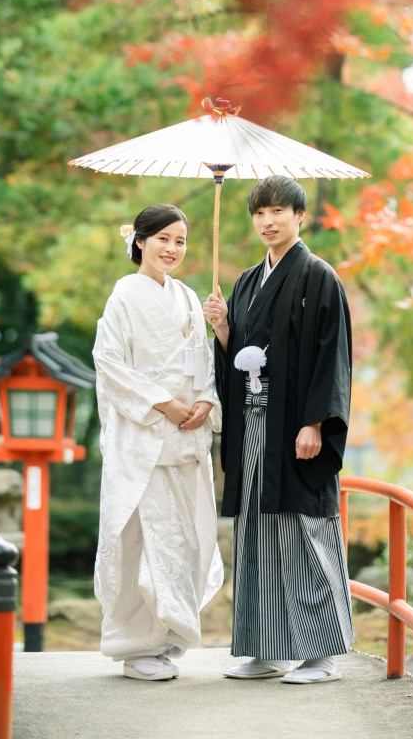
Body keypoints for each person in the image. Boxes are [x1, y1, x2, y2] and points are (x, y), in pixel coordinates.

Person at [203, 174, 353, 685]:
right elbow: (240, 356)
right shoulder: (245, 281)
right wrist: (223, 330)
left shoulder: (318, 276)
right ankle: (266, 649)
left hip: (295, 426)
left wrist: (314, 422)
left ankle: (322, 654)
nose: (267, 222)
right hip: (252, 424)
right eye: (259, 213)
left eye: (278, 212)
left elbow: (331, 356)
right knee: (257, 531)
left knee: (303, 527)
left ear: (299, 217)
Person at [93, 203, 223, 681]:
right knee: (143, 537)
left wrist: (207, 401)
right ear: (140, 241)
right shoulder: (124, 296)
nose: (172, 249)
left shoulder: (190, 298)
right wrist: (162, 402)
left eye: (181, 241)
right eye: (163, 238)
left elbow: (204, 360)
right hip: (146, 436)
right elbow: (109, 363)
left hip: (187, 435)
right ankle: (136, 645)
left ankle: (167, 638)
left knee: (184, 538)